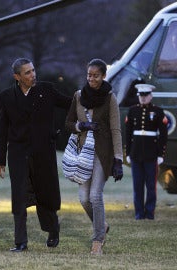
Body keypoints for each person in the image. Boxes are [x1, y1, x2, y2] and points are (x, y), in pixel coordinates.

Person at [0, 58, 71, 252]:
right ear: (17, 77)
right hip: (18, 154)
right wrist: (0, 160)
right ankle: (20, 242)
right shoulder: (6, 97)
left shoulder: (47, 90)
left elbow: (70, 104)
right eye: (27, 72)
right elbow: (2, 129)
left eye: (33, 70)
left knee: (45, 194)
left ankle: (53, 230)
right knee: (19, 197)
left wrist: (89, 98)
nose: (33, 75)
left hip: (43, 153)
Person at [65, 58, 123, 255]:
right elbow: (69, 122)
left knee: (95, 196)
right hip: (83, 152)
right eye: (89, 75)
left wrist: (118, 159)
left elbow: (116, 129)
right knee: (83, 198)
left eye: (95, 76)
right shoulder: (78, 96)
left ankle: (98, 239)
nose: (91, 79)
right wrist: (82, 126)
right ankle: (102, 225)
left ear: (103, 76)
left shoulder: (109, 98)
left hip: (102, 152)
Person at [125, 84, 168, 220]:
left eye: (145, 96)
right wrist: (128, 153)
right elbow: (127, 133)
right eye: (140, 96)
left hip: (151, 154)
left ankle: (149, 213)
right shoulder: (132, 111)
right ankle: (139, 213)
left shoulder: (158, 111)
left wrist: (161, 154)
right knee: (137, 186)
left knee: (151, 186)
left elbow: (163, 135)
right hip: (136, 153)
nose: (143, 98)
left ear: (151, 96)